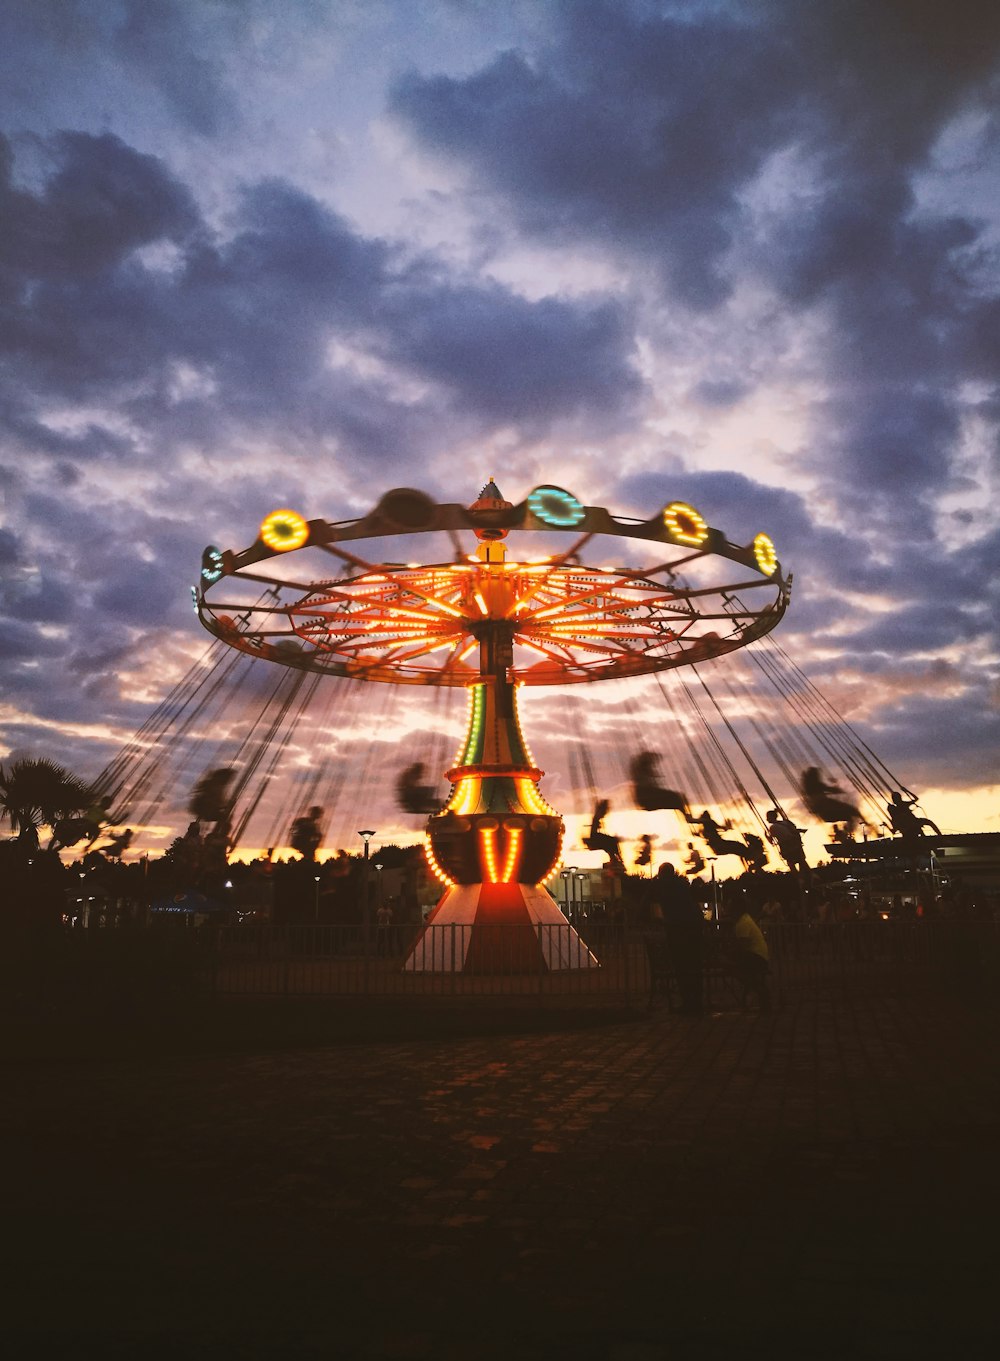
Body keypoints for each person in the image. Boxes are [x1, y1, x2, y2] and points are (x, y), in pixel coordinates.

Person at [654, 863, 706, 1015]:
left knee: (682, 969)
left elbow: (668, 910)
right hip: (693, 931)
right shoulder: (682, 886)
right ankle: (696, 1003)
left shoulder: (666, 888)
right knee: (694, 970)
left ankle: (688, 1003)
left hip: (678, 932)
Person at [727, 901, 771, 1013]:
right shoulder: (744, 920)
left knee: (733, 967)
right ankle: (753, 989)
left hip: (756, 956)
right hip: (758, 955)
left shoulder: (743, 923)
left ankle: (755, 988)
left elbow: (742, 945)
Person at [765, 808, 808, 874]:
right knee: (801, 861)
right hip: (796, 844)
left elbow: (771, 841)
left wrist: (766, 836)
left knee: (791, 863)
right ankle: (806, 875)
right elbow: (793, 829)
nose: (767, 819)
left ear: (771, 817)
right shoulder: (785, 822)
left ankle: (799, 878)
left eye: (767, 817)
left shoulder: (773, 827)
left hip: (786, 847)